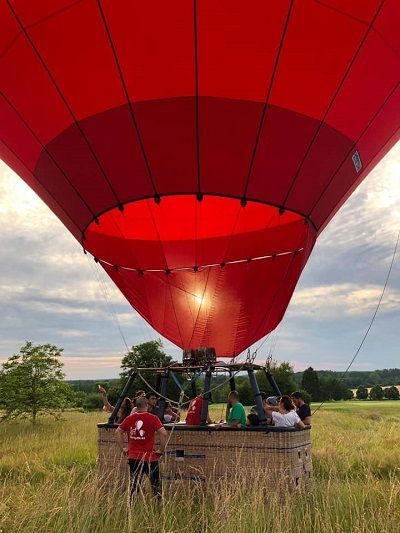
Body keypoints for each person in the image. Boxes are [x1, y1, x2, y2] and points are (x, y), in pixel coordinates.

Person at [116, 396, 168, 498]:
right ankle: (158, 508)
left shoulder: (129, 418)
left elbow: (118, 432)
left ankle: (131, 508)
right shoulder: (153, 418)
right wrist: (161, 450)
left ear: (137, 406)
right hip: (150, 457)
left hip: (133, 457)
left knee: (134, 486)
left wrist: (123, 448)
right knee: (156, 486)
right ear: (147, 405)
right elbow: (164, 433)